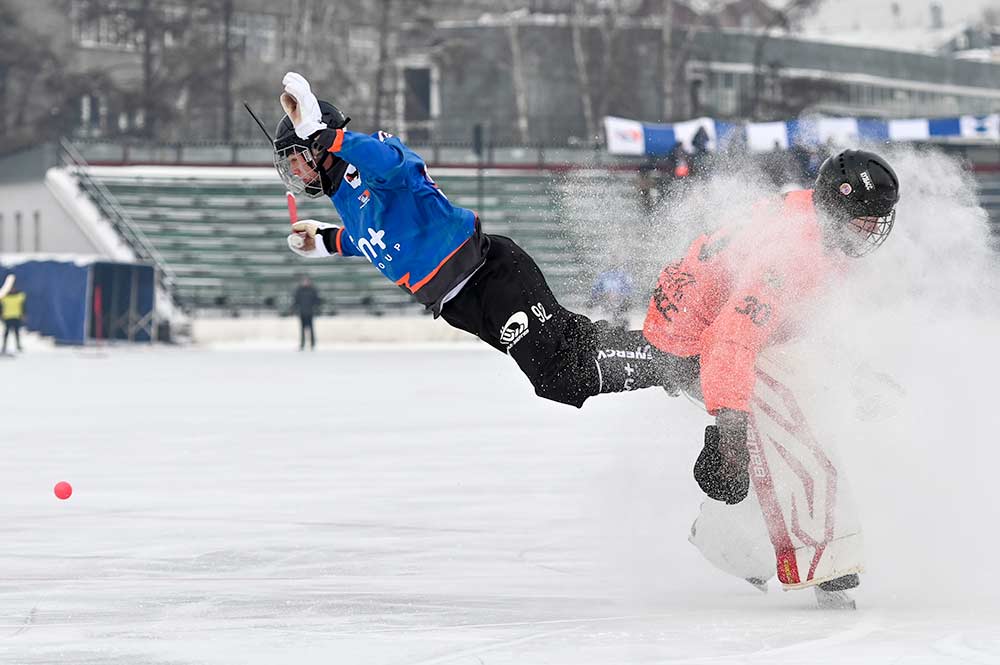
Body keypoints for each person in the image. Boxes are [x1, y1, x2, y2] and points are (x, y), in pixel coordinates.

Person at [275, 72, 694, 405]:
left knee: (560, 377)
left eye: (297, 158)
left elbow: (396, 167)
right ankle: (671, 353)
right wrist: (329, 241)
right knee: (570, 349)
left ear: (319, 145)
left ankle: (675, 363)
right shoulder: (344, 197)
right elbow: (380, 239)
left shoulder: (368, 159)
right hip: (463, 305)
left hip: (489, 275)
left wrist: (329, 135)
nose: (294, 171)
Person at [641, 148, 899, 603]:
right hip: (692, 345)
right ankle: (825, 563)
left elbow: (805, 321)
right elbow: (731, 340)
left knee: (794, 419)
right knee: (791, 428)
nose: (870, 231)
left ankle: (727, 542)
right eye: (863, 220)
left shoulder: (816, 229)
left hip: (725, 336)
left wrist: (857, 373)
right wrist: (730, 424)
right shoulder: (789, 251)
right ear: (837, 208)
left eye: (876, 221)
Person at [291, 276, 321, 350]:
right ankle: (302, 344)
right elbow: (296, 301)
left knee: (311, 329)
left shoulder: (313, 290)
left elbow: (317, 300)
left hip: (310, 312)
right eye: (304, 281)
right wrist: (295, 309)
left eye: (306, 281)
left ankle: (312, 344)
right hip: (302, 312)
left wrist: (316, 308)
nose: (305, 283)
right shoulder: (299, 290)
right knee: (302, 329)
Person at [1, 279, 26, 354]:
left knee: (16, 332)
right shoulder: (4, 297)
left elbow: (23, 306)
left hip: (16, 316)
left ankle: (18, 345)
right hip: (7, 316)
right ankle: (4, 346)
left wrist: (24, 314)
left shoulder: (20, 296)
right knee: (6, 333)